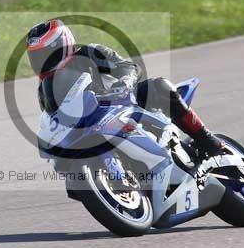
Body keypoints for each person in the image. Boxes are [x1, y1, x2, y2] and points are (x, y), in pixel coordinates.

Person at [25, 19, 225, 157]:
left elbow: (127, 66)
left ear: (63, 44)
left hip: (122, 102)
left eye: (45, 54)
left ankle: (207, 140)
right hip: (89, 126)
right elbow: (55, 118)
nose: (41, 61)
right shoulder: (45, 88)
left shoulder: (89, 53)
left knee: (159, 86)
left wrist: (125, 83)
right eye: (36, 56)